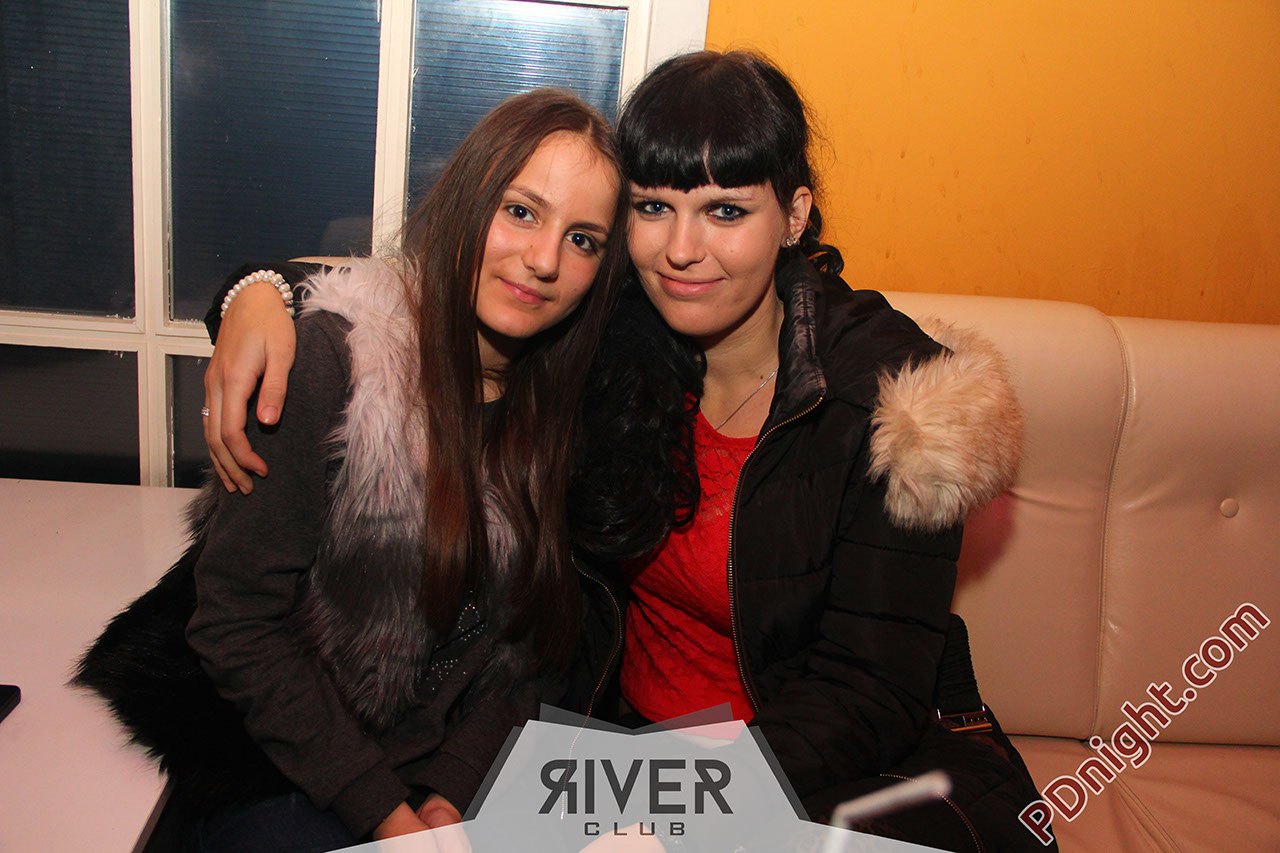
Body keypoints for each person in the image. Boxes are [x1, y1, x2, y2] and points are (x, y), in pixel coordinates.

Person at [201, 51, 1049, 852]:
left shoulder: (893, 408)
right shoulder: (613, 336)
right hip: (613, 745)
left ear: (793, 215)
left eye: (726, 210)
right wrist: (255, 293)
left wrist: (677, 807)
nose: (681, 249)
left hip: (798, 771)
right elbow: (417, 288)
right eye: (652, 207)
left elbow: (870, 696)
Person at [79, 88, 629, 853]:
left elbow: (534, 648)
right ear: (467, 199)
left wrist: (450, 796)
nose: (544, 260)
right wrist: (384, 813)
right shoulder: (336, 367)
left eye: (583, 239)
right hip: (279, 761)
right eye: (521, 211)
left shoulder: (571, 411)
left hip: (443, 774)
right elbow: (236, 620)